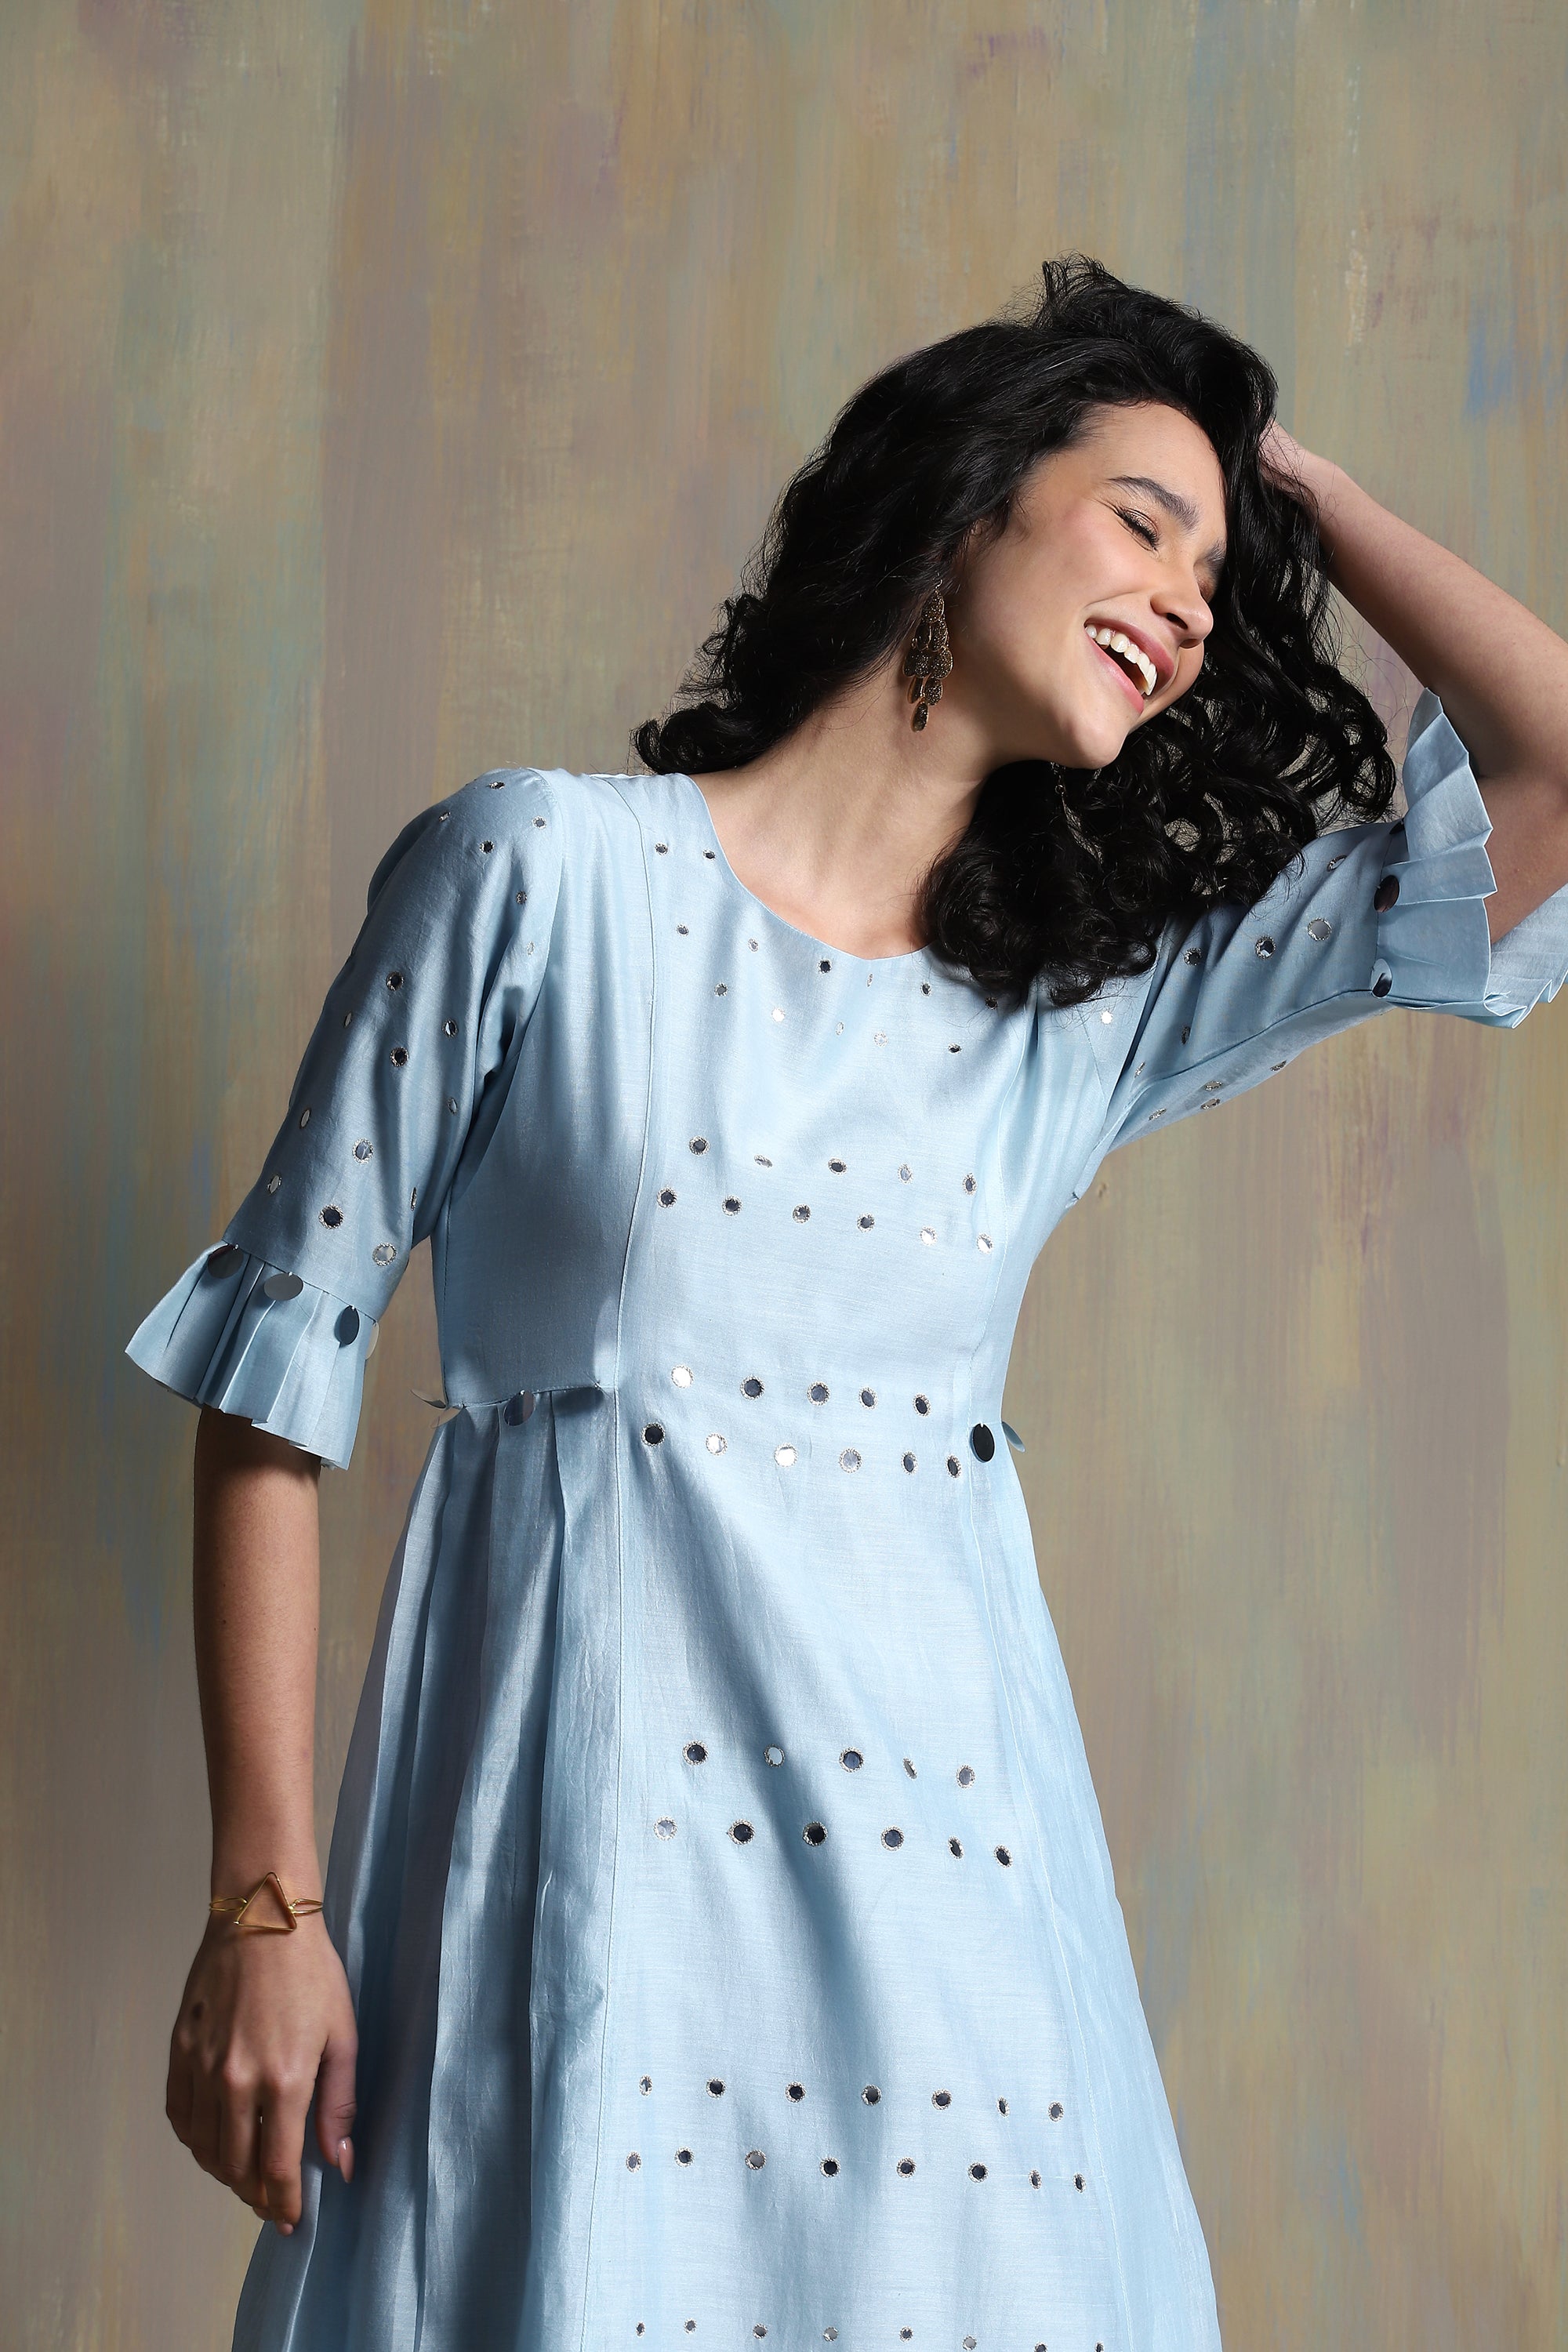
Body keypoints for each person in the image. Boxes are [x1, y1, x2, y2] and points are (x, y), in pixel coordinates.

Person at [127, 255, 1568, 2352]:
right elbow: (275, 1379)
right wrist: (266, 1903)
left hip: (965, 1966)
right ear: (965, 497)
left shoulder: (1076, 1013)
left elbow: (1557, 779)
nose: (1186, 606)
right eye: (1140, 524)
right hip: (584, 1884)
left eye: (1215, 580)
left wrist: (1299, 497)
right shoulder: (539, 875)